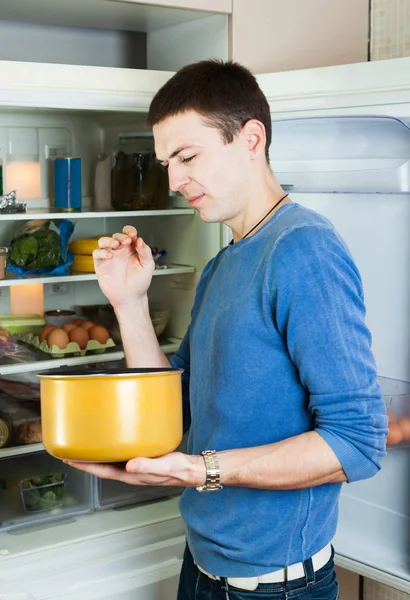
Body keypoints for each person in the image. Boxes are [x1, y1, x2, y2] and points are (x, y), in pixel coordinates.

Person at [70, 60, 388, 600]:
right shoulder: (226, 262)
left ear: (250, 138)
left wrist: (202, 470)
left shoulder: (303, 248)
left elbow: (357, 443)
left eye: (188, 156)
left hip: (277, 590)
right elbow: (173, 411)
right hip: (202, 568)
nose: (173, 180)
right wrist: (129, 303)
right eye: (167, 162)